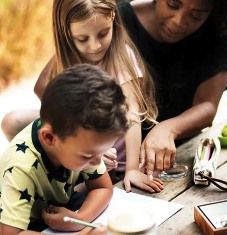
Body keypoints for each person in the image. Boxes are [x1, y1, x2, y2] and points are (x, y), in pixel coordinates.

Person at [1, 0, 163, 193]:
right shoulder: (66, 58)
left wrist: (132, 169)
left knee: (69, 197)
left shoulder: (119, 56)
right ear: (66, 33)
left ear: (114, 20)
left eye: (103, 33)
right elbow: (41, 87)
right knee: (13, 121)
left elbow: (132, 116)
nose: (95, 46)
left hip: (110, 161)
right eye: (82, 38)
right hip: (77, 155)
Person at [116, 0, 227, 178]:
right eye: (173, 5)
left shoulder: (217, 27)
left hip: (183, 155)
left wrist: (168, 129)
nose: (179, 21)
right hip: (119, 161)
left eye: (196, 15)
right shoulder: (118, 21)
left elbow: (207, 105)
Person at [0, 64, 128, 235]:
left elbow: (102, 188)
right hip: (22, 222)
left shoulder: (81, 142)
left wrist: (79, 220)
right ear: (49, 138)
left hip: (61, 205)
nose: (98, 161)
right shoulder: (21, 167)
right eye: (87, 156)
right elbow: (11, 233)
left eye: (100, 152)